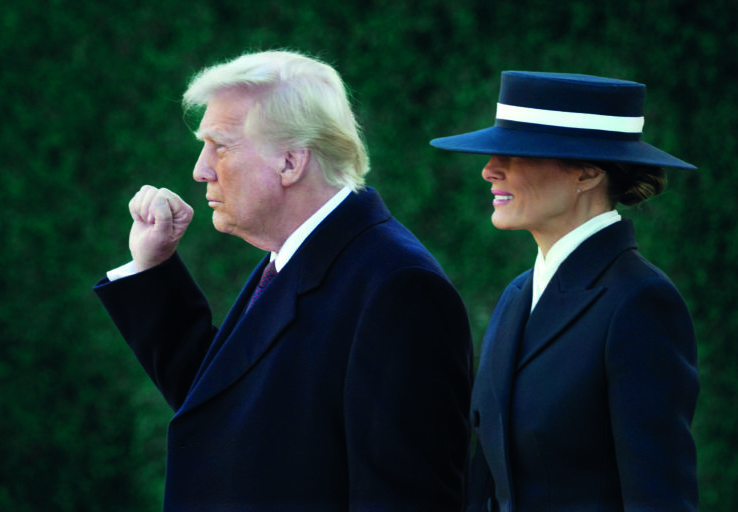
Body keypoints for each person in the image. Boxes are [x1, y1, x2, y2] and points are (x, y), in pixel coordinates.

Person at [94, 50, 473, 511]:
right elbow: (226, 403)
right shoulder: (296, 255)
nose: (200, 169)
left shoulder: (398, 286)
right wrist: (153, 268)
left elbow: (406, 498)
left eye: (221, 145)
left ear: (291, 163)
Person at [430, 71, 699, 511]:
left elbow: (659, 497)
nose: (488, 169)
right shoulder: (518, 295)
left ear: (588, 172)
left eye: (516, 154)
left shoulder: (640, 302)